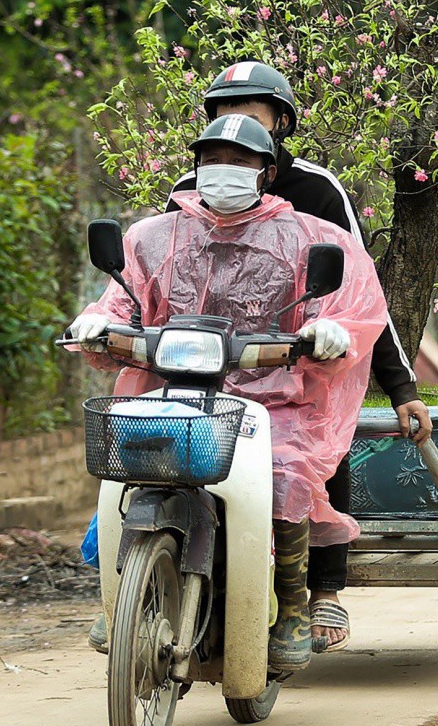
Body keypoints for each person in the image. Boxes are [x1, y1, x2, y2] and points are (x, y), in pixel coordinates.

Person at [70, 115, 387, 671]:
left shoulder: (311, 237)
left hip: (277, 398)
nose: (225, 171)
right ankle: (122, 589)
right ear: (196, 164)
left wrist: (330, 331)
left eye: (240, 161)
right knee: (128, 464)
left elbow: (352, 304)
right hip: (175, 389)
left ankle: (291, 603)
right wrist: (97, 322)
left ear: (266, 172)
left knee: (286, 471)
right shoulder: (153, 236)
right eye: (213, 158)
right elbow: (122, 301)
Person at [166, 60, 433, 652]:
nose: (232, 125)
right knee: (143, 437)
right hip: (207, 355)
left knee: (311, 437)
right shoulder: (188, 192)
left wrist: (401, 388)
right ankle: (142, 572)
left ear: (280, 122)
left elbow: (362, 293)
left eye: (249, 111)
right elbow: (156, 272)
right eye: (220, 114)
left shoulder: (316, 190)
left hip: (298, 356)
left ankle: (324, 589)